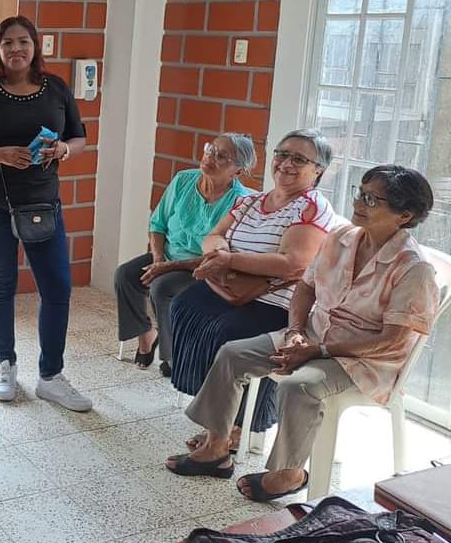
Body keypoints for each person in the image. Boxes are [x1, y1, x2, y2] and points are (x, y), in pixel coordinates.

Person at [167, 166, 438, 502]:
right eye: (359, 192)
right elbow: (305, 289)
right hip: (313, 334)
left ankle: (289, 474)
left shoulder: (414, 268)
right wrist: (296, 332)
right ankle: (216, 447)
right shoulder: (340, 238)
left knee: (299, 385)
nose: (358, 202)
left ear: (404, 216)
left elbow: (392, 340)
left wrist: (318, 350)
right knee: (233, 354)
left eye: (372, 199)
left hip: (364, 359)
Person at [168, 128, 338, 451]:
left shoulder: (311, 207)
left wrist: (229, 260)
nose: (286, 164)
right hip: (230, 285)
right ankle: (212, 415)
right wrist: (219, 252)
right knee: (184, 305)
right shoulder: (251, 201)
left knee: (228, 332)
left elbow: (292, 262)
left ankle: (236, 426)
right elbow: (213, 236)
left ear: (318, 171)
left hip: (274, 302)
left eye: (299, 159)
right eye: (282, 154)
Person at [0, 16, 92, 410]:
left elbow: (79, 138)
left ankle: (51, 376)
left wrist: (63, 150)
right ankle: (5, 366)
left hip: (43, 203)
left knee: (57, 287)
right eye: (8, 43)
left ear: (35, 47)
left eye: (23, 42)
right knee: (1, 285)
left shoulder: (57, 88)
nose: (16, 49)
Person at [114, 133, 256, 377]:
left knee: (161, 286)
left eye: (221, 156)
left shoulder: (240, 201)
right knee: (125, 275)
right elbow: (157, 224)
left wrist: (166, 268)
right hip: (168, 256)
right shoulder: (183, 180)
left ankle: (172, 356)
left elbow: (219, 257)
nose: (210, 156)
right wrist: (158, 260)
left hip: (202, 268)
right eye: (210, 149)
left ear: (238, 171)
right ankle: (146, 335)